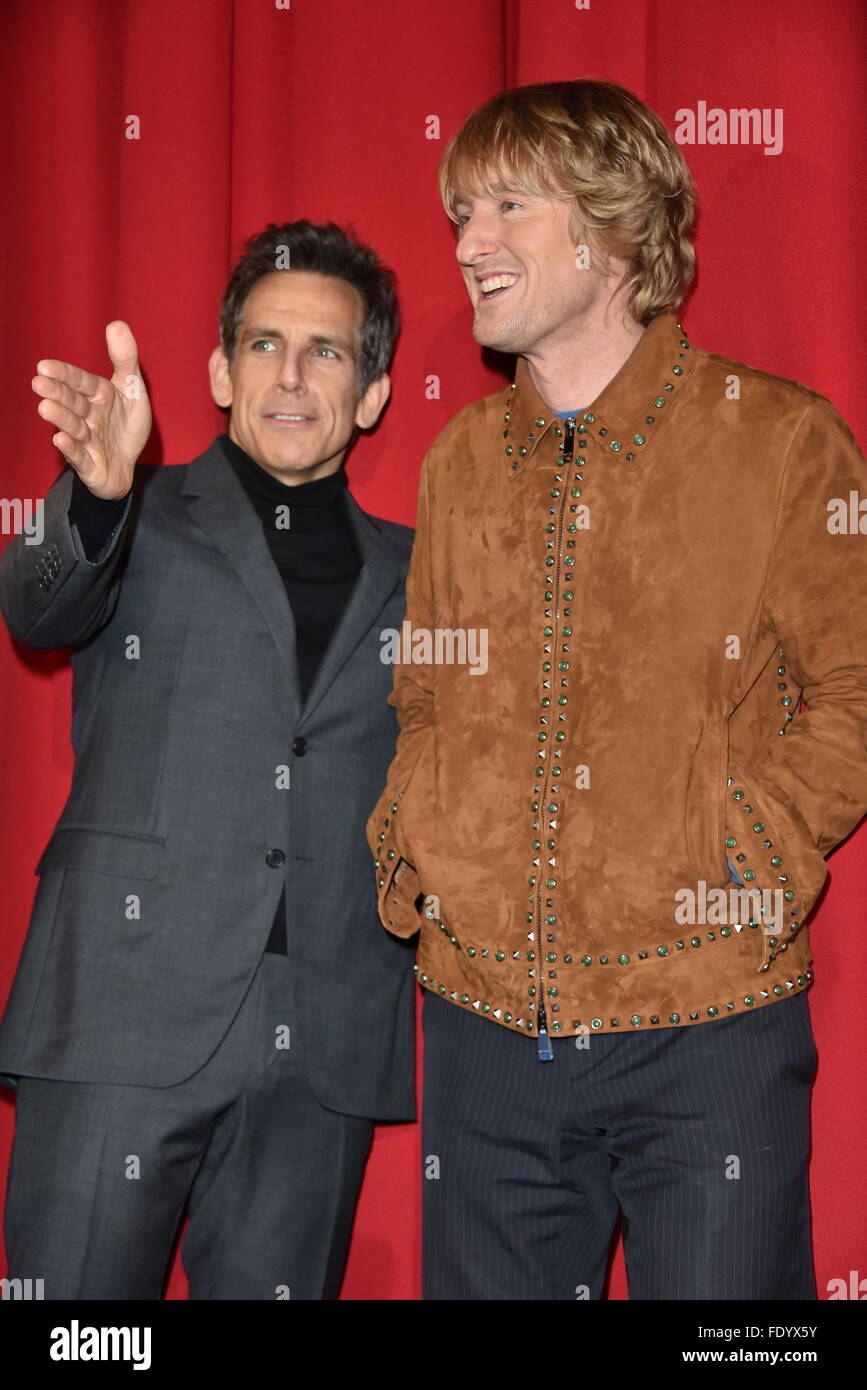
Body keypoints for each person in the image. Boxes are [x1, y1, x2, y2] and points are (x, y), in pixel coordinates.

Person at [366, 79, 867, 1300]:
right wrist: (414, 839)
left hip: (708, 1023)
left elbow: (856, 690)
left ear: (616, 224)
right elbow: (423, 693)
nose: (468, 244)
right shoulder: (460, 462)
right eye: (459, 214)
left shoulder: (782, 440)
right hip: (483, 1027)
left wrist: (749, 842)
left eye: (507, 206)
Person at [1, 219, 416, 1300]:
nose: (291, 373)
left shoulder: (428, 575)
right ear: (221, 372)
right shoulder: (138, 512)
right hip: (120, 1012)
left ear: (370, 394)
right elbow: (38, 608)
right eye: (265, 345)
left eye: (327, 351)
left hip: (323, 1035)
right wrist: (96, 494)